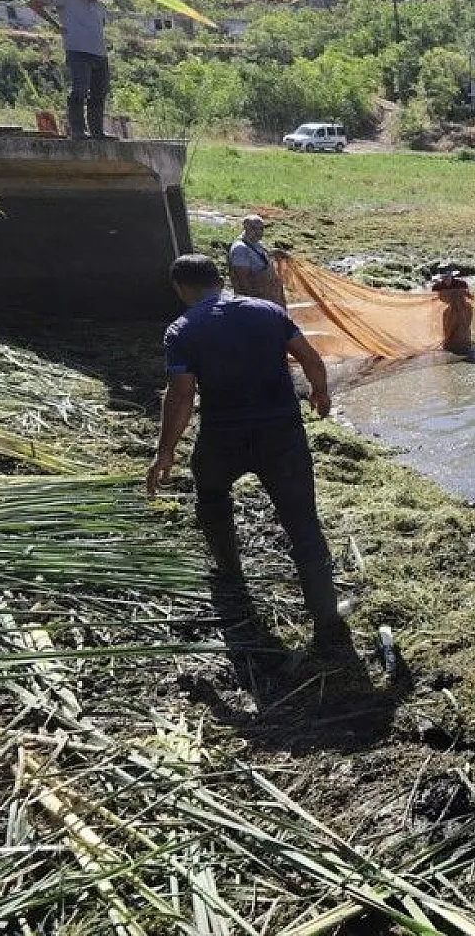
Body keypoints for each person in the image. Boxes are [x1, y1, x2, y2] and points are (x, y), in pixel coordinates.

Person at [145, 254, 350, 653]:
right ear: (219, 279)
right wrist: (321, 393)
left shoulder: (182, 330)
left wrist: (164, 452)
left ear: (180, 288)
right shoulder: (268, 312)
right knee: (303, 525)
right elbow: (309, 358)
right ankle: (326, 619)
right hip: (282, 436)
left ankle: (229, 573)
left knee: (212, 498)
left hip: (223, 438)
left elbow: (182, 396)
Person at [28, 0, 112, 140]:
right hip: (77, 51)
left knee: (99, 92)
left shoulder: (100, 6)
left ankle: (97, 131)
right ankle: (77, 130)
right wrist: (55, 25)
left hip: (100, 54)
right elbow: (33, 3)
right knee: (79, 90)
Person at [228, 215, 287, 307]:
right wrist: (253, 304)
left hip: (267, 300)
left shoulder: (257, 244)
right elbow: (242, 279)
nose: (259, 232)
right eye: (254, 228)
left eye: (261, 229)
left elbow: (259, 260)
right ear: (245, 228)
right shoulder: (240, 249)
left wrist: (273, 253)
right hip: (256, 302)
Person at [429, 269, 474, 355]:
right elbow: (435, 300)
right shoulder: (437, 286)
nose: (446, 279)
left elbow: (468, 295)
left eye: (448, 277)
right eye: (444, 277)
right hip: (447, 308)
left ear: (451, 276)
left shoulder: (461, 284)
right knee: (448, 327)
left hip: (462, 307)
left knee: (463, 326)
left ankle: (465, 342)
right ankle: (449, 343)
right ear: (441, 278)